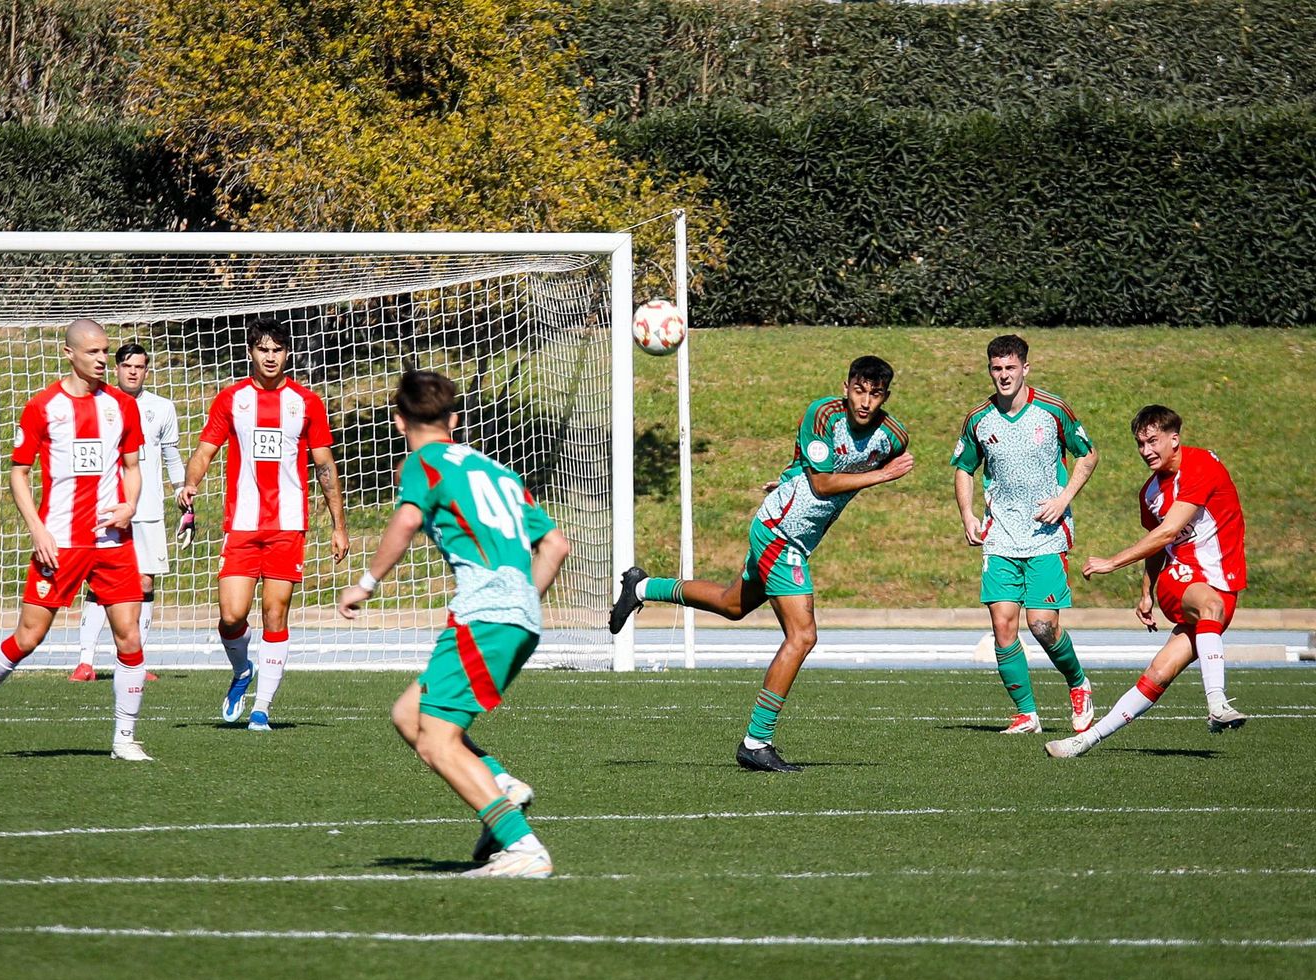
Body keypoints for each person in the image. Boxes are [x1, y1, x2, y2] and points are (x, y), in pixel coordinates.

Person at [609, 355, 912, 773]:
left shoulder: (893, 438)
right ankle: (757, 740)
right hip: (780, 530)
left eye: (875, 395)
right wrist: (876, 478)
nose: (865, 402)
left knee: (733, 605)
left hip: (800, 535)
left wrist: (792, 476)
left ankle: (641, 587)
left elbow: (823, 466)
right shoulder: (823, 414)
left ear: (886, 397)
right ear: (845, 387)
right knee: (803, 635)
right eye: (858, 391)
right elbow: (823, 482)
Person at [339, 370, 570, 878]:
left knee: (437, 740)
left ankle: (523, 847)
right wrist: (521, 602)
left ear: (399, 422)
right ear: (455, 419)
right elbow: (555, 545)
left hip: (485, 614)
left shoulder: (425, 461)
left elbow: (405, 520)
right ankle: (500, 785)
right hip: (519, 616)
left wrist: (366, 583)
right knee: (408, 714)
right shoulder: (498, 472)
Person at [0, 319, 154, 762]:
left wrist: (130, 505)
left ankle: (125, 737)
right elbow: (18, 472)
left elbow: (132, 467)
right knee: (28, 636)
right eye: (93, 351)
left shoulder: (121, 407)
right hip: (59, 542)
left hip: (113, 541)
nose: (102, 359)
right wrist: (37, 529)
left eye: (105, 351)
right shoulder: (43, 406)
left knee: (129, 637)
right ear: (70, 354)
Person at [1047, 405, 1248, 757]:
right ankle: (1217, 702)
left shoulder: (1201, 465)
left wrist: (1126, 576)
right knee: (1210, 605)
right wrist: (1147, 589)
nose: (1146, 451)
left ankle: (1083, 741)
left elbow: (1165, 533)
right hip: (1184, 582)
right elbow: (1163, 539)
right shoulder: (1150, 493)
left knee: (1159, 673)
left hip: (1220, 587)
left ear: (1175, 439)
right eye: (1140, 443)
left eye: (1153, 441)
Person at [177, 318, 348, 731]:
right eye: (262, 349)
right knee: (232, 616)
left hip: (288, 525)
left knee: (276, 613)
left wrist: (339, 526)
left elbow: (325, 465)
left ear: (287, 353)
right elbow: (205, 449)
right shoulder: (231, 399)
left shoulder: (306, 402)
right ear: (251, 353)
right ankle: (241, 670)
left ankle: (262, 708)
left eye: (277, 349)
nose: (270, 357)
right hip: (242, 525)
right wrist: (190, 483)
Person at [952, 334, 1099, 735]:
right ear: (990, 370)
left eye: (1010, 368)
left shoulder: (1052, 410)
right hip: (1000, 535)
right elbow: (964, 467)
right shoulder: (978, 420)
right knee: (1003, 625)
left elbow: (1089, 454)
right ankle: (1026, 713)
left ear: (1025, 369)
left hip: (1046, 534)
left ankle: (1078, 683)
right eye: (997, 369)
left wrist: (1063, 498)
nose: (1004, 376)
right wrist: (967, 515)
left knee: (1042, 626)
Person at [71, 342, 185, 682]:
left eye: (140, 366)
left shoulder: (162, 408)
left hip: (148, 509)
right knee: (101, 582)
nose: (133, 371)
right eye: (127, 365)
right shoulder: (99, 404)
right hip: (107, 509)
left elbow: (171, 454)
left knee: (145, 581)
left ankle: (134, 661)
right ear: (117, 368)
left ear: (146, 371)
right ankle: (85, 661)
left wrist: (181, 489)